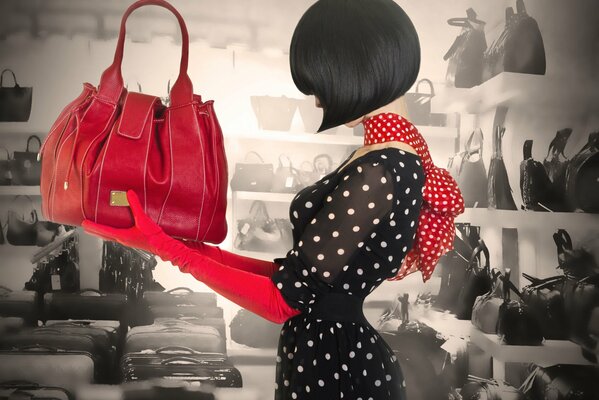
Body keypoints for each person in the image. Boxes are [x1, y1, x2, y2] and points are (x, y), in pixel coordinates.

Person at [82, 0, 465, 398]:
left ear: (358, 67)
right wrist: (181, 245)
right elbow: (293, 278)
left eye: (321, 82)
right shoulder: (389, 158)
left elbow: (282, 301)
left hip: (335, 367)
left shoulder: (381, 168)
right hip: (332, 356)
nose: (317, 100)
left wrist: (168, 249)